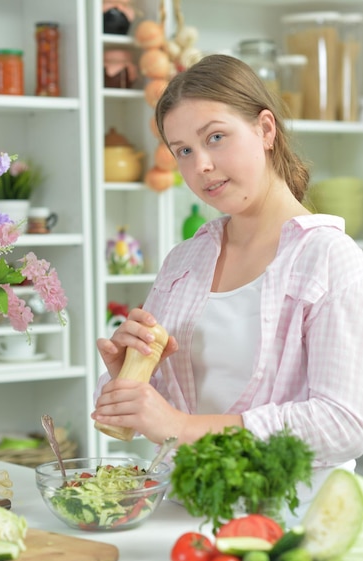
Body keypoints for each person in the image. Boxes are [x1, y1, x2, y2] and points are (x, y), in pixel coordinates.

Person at [92, 54, 363, 525]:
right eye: (183, 151)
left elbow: (344, 422)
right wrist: (128, 379)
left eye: (215, 137)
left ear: (265, 129)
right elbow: (157, 413)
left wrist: (180, 428)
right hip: (184, 514)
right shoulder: (185, 261)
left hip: (295, 522)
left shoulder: (328, 257)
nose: (202, 166)